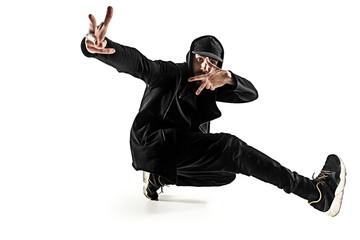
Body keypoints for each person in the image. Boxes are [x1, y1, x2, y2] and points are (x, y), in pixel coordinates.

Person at [81, 6, 346, 217]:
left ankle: (157, 178)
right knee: (230, 148)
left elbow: (251, 94)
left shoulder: (213, 87)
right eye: (200, 58)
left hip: (173, 153)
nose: (205, 65)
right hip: (154, 143)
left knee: (226, 174)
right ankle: (315, 193)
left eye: (213, 62)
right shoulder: (169, 74)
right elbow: (140, 64)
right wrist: (103, 50)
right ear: (190, 57)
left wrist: (229, 78)